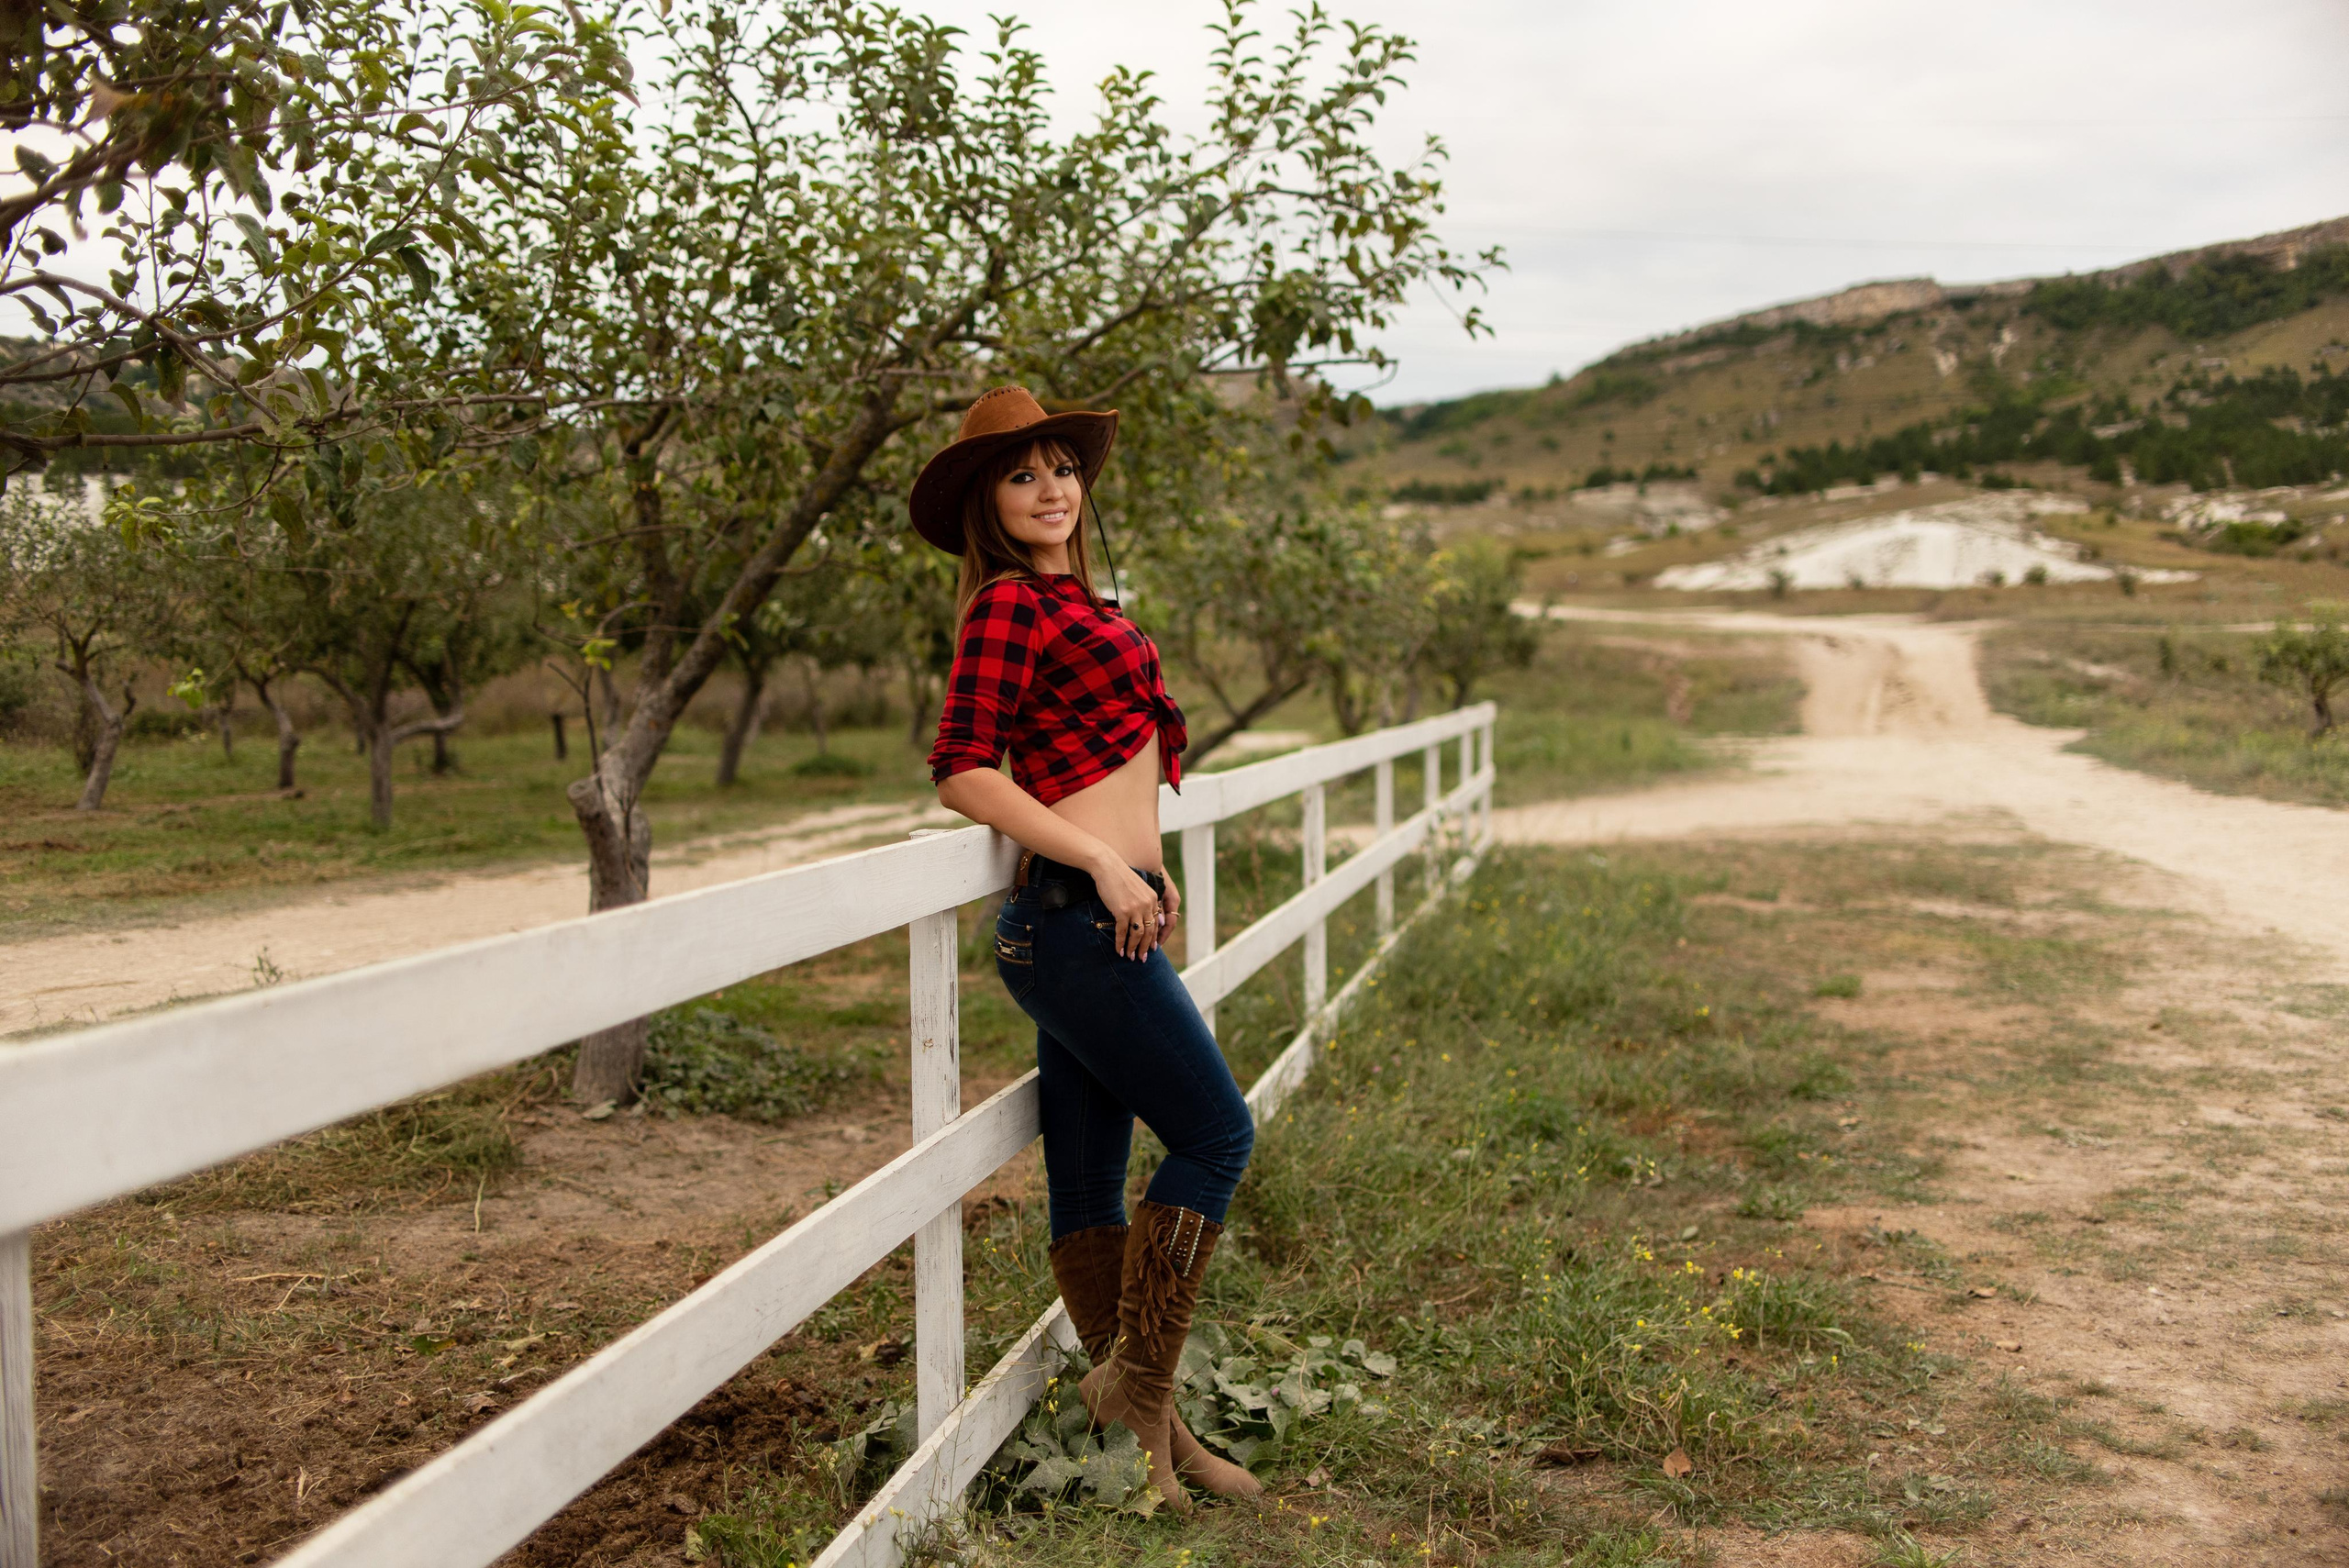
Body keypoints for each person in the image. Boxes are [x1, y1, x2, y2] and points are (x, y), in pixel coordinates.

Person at [916, 385, 1259, 1512]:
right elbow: (964, 764)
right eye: (1021, 475)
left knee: (1087, 1179)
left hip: (1101, 917)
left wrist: (1144, 871)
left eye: (1061, 467)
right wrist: (1106, 864)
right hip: (1068, 921)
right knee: (1215, 1133)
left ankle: (1159, 1446)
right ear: (989, 503)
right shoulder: (1008, 606)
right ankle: (1140, 1389)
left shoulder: (1091, 604)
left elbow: (1110, 775)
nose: (1050, 488)